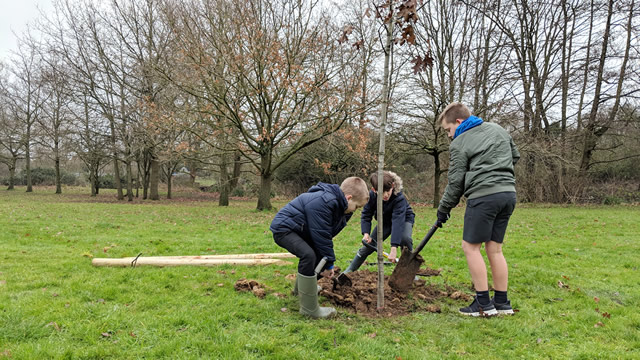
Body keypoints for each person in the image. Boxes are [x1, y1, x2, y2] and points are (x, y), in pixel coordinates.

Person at [436, 102, 519, 317]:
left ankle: (483, 303)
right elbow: (514, 156)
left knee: (470, 247)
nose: (449, 136)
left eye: (448, 130)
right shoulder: (498, 130)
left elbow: (455, 182)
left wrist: (443, 208)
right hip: (508, 194)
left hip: (484, 196)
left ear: (459, 122)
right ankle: (502, 303)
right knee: (495, 248)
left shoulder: (460, 142)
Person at [270, 177, 369, 319]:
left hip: (300, 229)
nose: (356, 210)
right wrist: (329, 264)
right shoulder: (324, 202)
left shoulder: (340, 207)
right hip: (284, 229)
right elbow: (322, 236)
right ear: (348, 198)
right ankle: (309, 310)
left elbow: (325, 235)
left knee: (314, 255)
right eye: (357, 206)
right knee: (308, 255)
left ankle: (303, 291)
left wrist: (324, 260)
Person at [344, 171, 415, 273]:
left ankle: (409, 271)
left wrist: (393, 248)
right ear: (374, 190)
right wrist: (366, 234)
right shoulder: (372, 196)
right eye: (382, 192)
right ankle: (350, 270)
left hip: (403, 220)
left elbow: (397, 222)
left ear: (393, 186)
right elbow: (366, 215)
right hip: (385, 221)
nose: (386, 195)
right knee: (369, 246)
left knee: (405, 239)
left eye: (388, 191)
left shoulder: (399, 198)